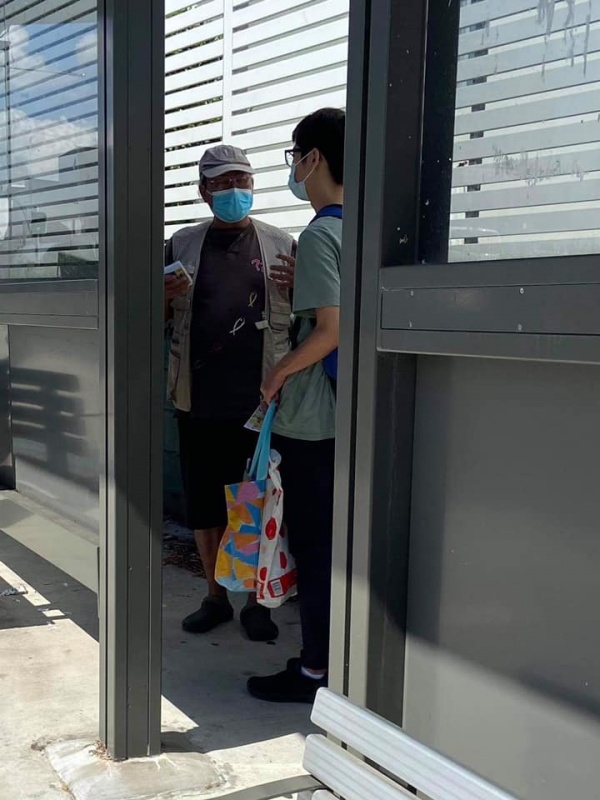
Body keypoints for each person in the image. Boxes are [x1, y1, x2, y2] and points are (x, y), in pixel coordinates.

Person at [165, 144, 296, 641]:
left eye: (241, 180)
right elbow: (154, 319)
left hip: (261, 402)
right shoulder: (181, 245)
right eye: (221, 183)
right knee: (205, 505)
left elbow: (311, 317)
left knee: (257, 503)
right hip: (196, 399)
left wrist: (303, 283)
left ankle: (257, 603)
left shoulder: (282, 244)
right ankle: (214, 597)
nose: (233, 190)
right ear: (204, 191)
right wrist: (162, 297)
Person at [247, 108, 344, 702]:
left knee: (312, 547)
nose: (293, 170)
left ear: (313, 159)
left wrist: (277, 373)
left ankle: (314, 672)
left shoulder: (320, 234)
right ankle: (335, 661)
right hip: (349, 416)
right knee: (336, 547)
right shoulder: (360, 229)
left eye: (294, 156)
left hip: (312, 421)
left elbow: (330, 330)